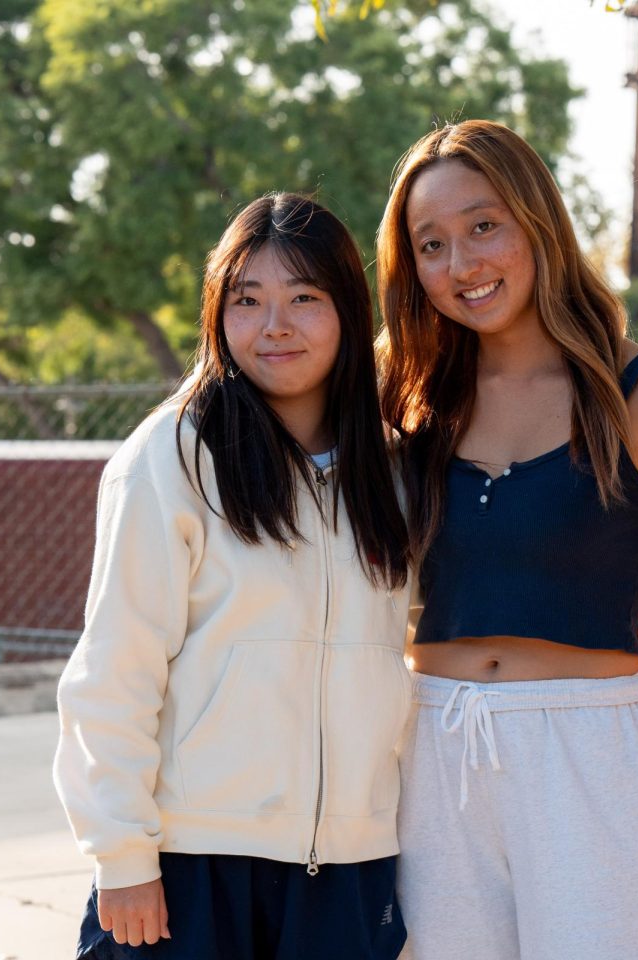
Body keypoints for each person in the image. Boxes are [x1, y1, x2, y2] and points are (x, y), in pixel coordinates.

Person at [376, 120, 638, 960]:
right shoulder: (406, 405)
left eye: (483, 226)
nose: (462, 265)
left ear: (538, 222)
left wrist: (613, 729)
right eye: (431, 245)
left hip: (591, 753)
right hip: (431, 749)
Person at [53, 193, 414, 960]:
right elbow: (114, 674)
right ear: (219, 313)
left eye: (303, 299)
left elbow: (442, 625)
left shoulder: (393, 471)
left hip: (350, 869)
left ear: (349, 310)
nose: (273, 325)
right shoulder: (174, 456)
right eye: (247, 300)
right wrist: (122, 858)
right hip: (193, 865)